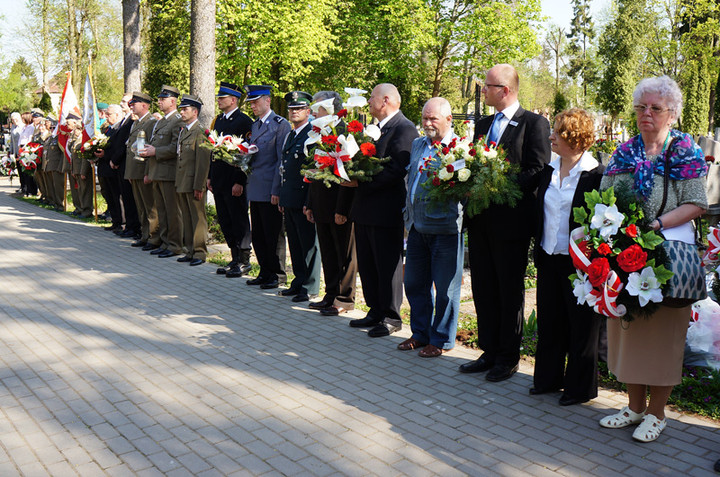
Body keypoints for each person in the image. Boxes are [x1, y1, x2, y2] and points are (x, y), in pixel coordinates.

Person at [598, 76, 707, 442]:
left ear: (672, 114)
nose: (646, 113)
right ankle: (634, 407)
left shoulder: (684, 152)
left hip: (668, 259)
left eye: (655, 108)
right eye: (641, 107)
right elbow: (604, 196)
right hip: (627, 253)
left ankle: (658, 414)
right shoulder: (625, 152)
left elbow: (697, 204)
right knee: (630, 332)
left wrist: (656, 224)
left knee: (662, 338)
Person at [459, 64, 551, 381]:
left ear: (505, 90)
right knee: (484, 288)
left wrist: (498, 188)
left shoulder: (534, 124)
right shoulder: (483, 124)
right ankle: (489, 350)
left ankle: (508, 356)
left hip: (511, 223)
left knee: (508, 289)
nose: (483, 90)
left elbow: (537, 170)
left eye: (488, 86)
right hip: (481, 221)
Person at [532, 108, 604, 405]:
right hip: (549, 255)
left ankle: (579, 388)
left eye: (558, 132)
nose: (551, 136)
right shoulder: (549, 169)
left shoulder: (595, 175)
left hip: (580, 263)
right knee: (550, 321)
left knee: (581, 327)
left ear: (575, 138)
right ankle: (548, 380)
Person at [346, 83, 418, 337]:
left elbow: (397, 170)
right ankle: (375, 310)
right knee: (367, 263)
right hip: (365, 207)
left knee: (387, 264)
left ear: (385, 100)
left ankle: (391, 316)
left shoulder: (404, 128)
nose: (368, 101)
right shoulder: (374, 128)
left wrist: (360, 180)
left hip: (386, 209)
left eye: (371, 97)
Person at [398, 97, 463, 356]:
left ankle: (441, 339)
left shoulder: (461, 149)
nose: (427, 123)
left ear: (449, 119)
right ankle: (420, 333)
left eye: (433, 118)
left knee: (446, 288)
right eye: (425, 118)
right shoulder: (417, 144)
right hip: (416, 226)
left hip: (445, 228)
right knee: (414, 283)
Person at [305, 91, 357, 316]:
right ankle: (330, 293)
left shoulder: (344, 132)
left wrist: (342, 209)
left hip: (338, 204)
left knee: (343, 253)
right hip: (320, 202)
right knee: (327, 252)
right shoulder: (319, 133)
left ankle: (344, 299)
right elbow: (313, 171)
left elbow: (348, 175)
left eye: (318, 107)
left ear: (331, 108)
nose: (314, 112)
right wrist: (309, 203)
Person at [244, 85, 291, 289]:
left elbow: (281, 160)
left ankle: (278, 274)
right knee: (259, 234)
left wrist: (276, 190)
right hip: (255, 185)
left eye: (256, 102)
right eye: (251, 103)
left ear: (268, 101)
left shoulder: (280, 125)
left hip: (269, 187)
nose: (253, 106)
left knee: (274, 234)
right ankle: (264, 270)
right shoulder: (255, 126)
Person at [278, 91, 320, 303]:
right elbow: (285, 167)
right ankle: (298, 281)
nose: (294, 112)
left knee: (308, 244)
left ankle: (310, 286)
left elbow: (312, 170)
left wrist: (308, 202)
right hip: (289, 196)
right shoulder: (291, 134)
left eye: (299, 109)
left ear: (308, 111)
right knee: (294, 243)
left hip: (303, 197)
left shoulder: (312, 134)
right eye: (291, 109)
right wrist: (282, 196)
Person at [208, 81, 254, 277]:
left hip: (233, 179)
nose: (219, 100)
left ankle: (244, 260)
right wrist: (210, 176)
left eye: (222, 97)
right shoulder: (218, 120)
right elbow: (213, 150)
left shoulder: (244, 121)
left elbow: (246, 154)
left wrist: (239, 181)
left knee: (239, 219)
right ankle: (234, 257)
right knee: (225, 220)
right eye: (219, 97)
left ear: (233, 100)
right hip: (219, 178)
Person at [139, 85, 184, 258]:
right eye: (159, 99)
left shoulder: (177, 120)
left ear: (172, 101)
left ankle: (175, 245)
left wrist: (155, 152)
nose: (159, 102)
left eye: (162, 99)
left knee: (172, 211)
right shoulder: (162, 121)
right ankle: (165, 242)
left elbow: (175, 147)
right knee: (162, 211)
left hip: (168, 172)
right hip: (157, 171)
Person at [175, 95, 212, 266]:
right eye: (181, 109)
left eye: (185, 109)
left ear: (195, 112)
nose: (182, 112)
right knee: (187, 217)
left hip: (193, 182)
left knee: (197, 218)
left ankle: (199, 252)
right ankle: (189, 249)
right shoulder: (185, 131)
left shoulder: (200, 132)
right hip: (182, 181)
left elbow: (202, 163)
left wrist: (199, 185)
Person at [124, 92, 158, 248]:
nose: (132, 106)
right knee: (141, 206)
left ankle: (153, 236)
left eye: (134, 103)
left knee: (150, 207)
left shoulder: (151, 122)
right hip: (134, 170)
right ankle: (145, 235)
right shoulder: (136, 123)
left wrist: (147, 172)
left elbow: (150, 149)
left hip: (143, 170)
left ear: (144, 105)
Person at [95, 104, 124, 231]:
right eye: (106, 114)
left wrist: (105, 155)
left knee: (117, 197)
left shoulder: (119, 129)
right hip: (105, 167)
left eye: (109, 114)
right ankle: (115, 221)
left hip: (113, 167)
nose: (106, 117)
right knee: (110, 197)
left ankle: (121, 223)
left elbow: (118, 148)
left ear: (117, 115)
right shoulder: (108, 129)